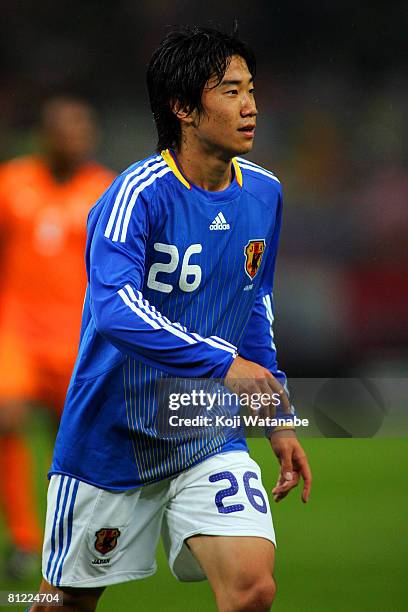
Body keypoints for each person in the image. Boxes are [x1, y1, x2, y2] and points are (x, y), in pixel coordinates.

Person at [32, 27, 312, 612]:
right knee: (63, 605)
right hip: (114, 436)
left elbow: (252, 307)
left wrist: (274, 414)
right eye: (231, 91)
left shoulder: (265, 193)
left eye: (252, 89)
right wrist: (221, 364)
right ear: (183, 108)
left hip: (206, 428)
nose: (251, 105)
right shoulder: (134, 195)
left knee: (253, 589)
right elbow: (113, 311)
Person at [0, 96, 115, 578]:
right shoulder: (10, 184)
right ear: (44, 136)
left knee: (69, 441)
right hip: (16, 329)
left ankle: (63, 539)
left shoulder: (106, 191)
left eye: (81, 130)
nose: (73, 139)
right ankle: (25, 540)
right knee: (7, 417)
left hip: (78, 335)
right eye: (63, 130)